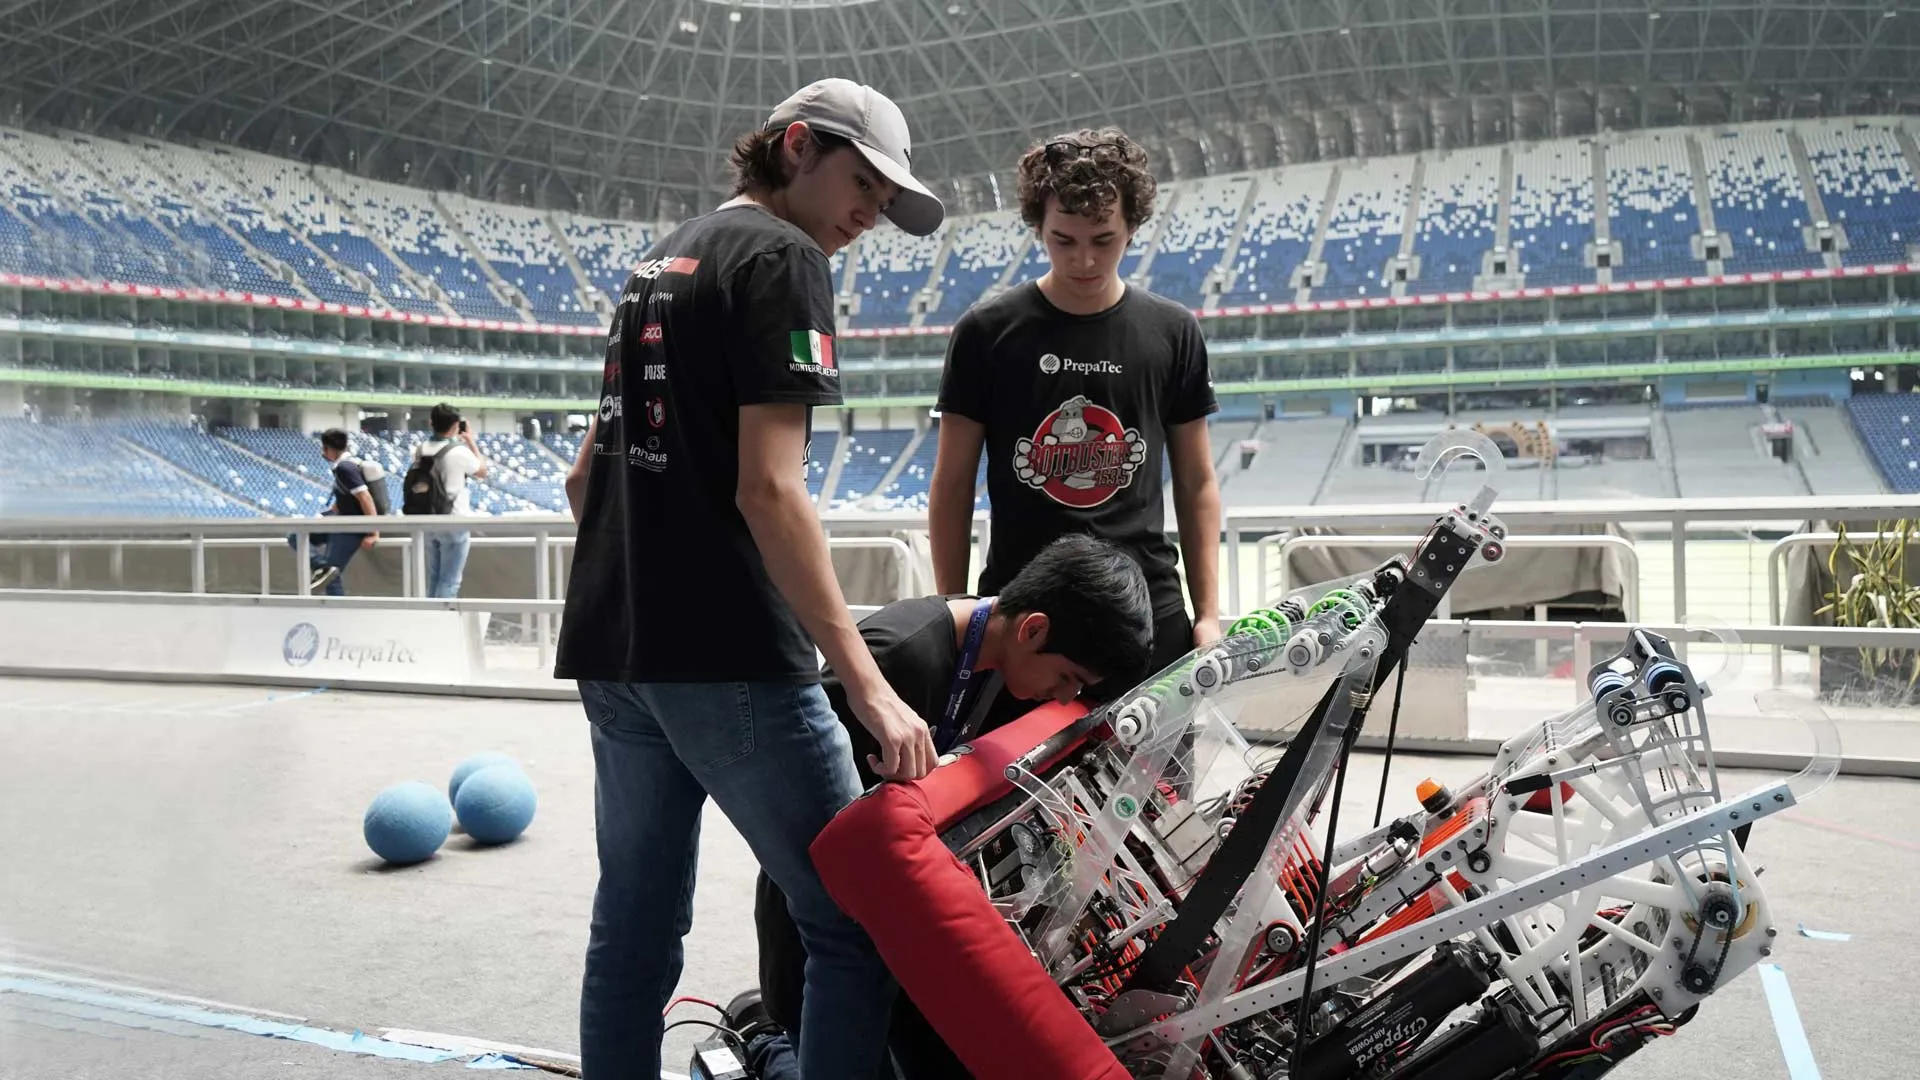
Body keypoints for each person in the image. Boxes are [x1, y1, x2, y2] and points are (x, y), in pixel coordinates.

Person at [554, 77, 946, 1080]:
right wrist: (866, 682)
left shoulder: (662, 257)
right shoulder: (784, 259)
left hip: (615, 643)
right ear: (795, 146)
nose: (869, 215)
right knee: (856, 922)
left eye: (888, 201)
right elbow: (771, 493)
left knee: (635, 926)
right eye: (862, 183)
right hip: (726, 652)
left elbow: (582, 477)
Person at [734, 533, 1155, 1079]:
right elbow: (794, 834)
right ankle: (764, 1037)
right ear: (1034, 629)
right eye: (1068, 679)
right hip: (824, 949)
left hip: (905, 937)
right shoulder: (893, 657)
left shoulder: (1005, 662)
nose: (1062, 697)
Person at [927, 127, 1224, 694]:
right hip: (1025, 621)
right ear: (1037, 226)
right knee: (1017, 784)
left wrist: (1207, 612)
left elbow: (1197, 481)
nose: (1084, 258)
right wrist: (955, 606)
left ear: (1133, 227)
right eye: (1063, 240)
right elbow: (953, 483)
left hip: (1147, 613)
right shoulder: (986, 332)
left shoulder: (1172, 331)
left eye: (1104, 239)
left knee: (1156, 785)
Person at [407, 403, 489, 598]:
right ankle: (441, 623)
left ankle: (432, 621)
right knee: (450, 580)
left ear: (431, 423)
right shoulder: (458, 452)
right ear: (455, 426)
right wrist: (471, 441)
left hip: (428, 520)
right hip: (453, 520)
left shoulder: (420, 449)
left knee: (434, 577)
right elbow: (482, 471)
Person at [288, 428, 380, 595]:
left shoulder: (345, 468)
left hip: (350, 527)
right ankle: (321, 566)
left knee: (331, 576)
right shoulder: (343, 467)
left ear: (329, 449)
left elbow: (365, 497)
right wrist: (326, 515)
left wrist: (373, 532)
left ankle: (337, 606)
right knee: (297, 535)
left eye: (324, 449)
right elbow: (346, 496)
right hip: (341, 521)